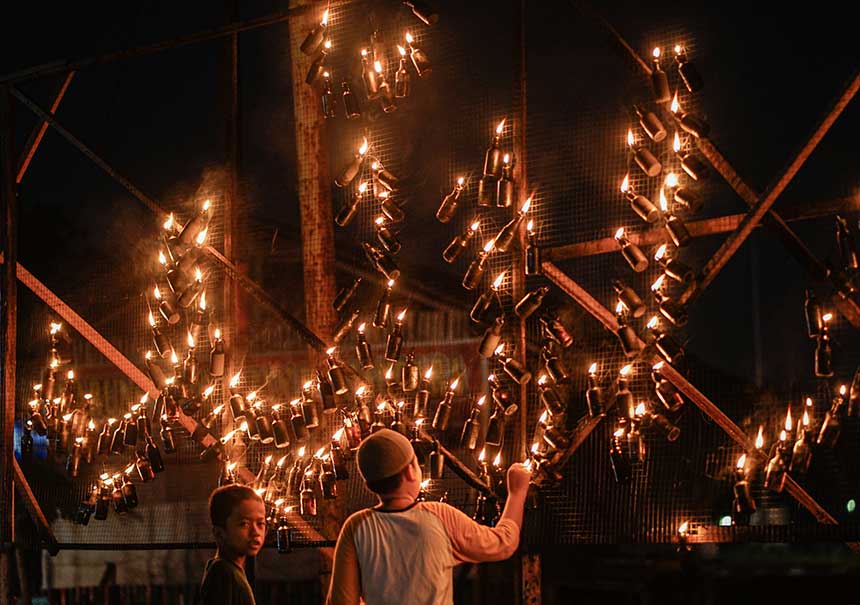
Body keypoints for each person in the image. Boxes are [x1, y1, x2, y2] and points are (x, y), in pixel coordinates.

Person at [326, 428, 531, 605]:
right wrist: (517, 492)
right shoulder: (439, 516)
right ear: (410, 472)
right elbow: (503, 543)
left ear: (369, 485)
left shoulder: (356, 526)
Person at [198, 484, 266, 605]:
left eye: (260, 523)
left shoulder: (231, 570)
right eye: (244, 524)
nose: (255, 532)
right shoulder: (223, 573)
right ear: (219, 533)